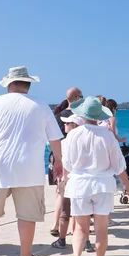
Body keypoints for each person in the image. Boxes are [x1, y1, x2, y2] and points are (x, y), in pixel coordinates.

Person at [0, 66, 63, 256]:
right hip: (28, 167)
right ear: (28, 85)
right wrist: (58, 161)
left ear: (9, 84)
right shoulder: (40, 105)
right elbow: (55, 137)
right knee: (26, 214)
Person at [62, 97, 129, 256]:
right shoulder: (107, 135)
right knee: (101, 230)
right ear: (99, 115)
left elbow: (67, 165)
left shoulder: (73, 135)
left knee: (80, 228)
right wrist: (128, 185)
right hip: (102, 185)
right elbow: (118, 165)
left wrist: (65, 181)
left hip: (79, 185)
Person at [51, 114, 95, 252]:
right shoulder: (88, 141)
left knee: (65, 212)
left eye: (67, 123)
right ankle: (86, 242)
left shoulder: (65, 142)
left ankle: (62, 240)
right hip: (85, 180)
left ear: (73, 125)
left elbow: (64, 164)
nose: (64, 125)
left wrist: (63, 180)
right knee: (83, 213)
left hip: (70, 179)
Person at [51, 87, 83, 239]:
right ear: (77, 97)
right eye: (81, 96)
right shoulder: (79, 115)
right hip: (71, 156)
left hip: (57, 154)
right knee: (74, 194)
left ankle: (55, 224)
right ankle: (72, 227)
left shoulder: (57, 115)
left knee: (60, 192)